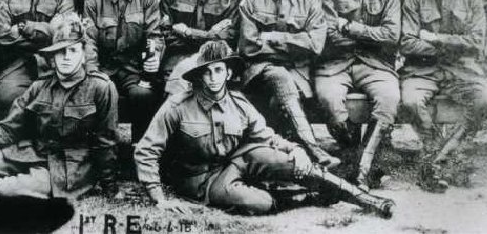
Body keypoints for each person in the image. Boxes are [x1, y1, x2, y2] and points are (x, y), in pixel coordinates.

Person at [135, 40, 394, 217]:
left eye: (218, 70)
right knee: (259, 203)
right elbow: (146, 150)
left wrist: (295, 150)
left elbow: (267, 136)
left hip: (237, 160)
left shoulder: (238, 103)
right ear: (199, 76)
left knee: (288, 161)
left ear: (228, 73)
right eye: (207, 72)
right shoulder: (178, 105)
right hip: (202, 179)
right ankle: (309, 197)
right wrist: (159, 198)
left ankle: (365, 199)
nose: (213, 78)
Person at [0, 13, 119, 199]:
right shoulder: (40, 86)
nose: (66, 57)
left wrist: (110, 187)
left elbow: (106, 141)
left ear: (83, 55)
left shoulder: (100, 87)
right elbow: (8, 128)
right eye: (61, 51)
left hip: (68, 168)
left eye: (73, 50)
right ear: (52, 57)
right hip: (34, 153)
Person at [238, 0, 339, 168]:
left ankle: (288, 162)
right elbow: (249, 46)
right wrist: (295, 43)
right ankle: (314, 151)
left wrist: (274, 37)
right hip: (259, 72)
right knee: (279, 75)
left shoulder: (310, 1)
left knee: (278, 100)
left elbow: (316, 44)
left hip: (299, 75)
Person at [399, 0, 487, 193]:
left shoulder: (472, 0)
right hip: (422, 70)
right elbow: (407, 42)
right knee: (410, 102)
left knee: (483, 102)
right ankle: (436, 155)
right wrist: (453, 44)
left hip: (461, 70)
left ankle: (441, 159)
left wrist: (433, 38)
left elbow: (475, 43)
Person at [314, 0, 401, 190]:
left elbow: (391, 35)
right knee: (329, 98)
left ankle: (362, 168)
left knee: (389, 97)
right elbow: (329, 34)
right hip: (336, 63)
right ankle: (355, 158)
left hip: (374, 63)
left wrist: (351, 28)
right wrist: (371, 35)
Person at [83, 0, 165, 142]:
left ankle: (139, 149)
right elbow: (89, 41)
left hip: (134, 70)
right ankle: (104, 150)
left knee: (143, 95)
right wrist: (93, 73)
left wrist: (154, 56)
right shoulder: (93, 1)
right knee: (98, 92)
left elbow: (154, 35)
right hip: (103, 68)